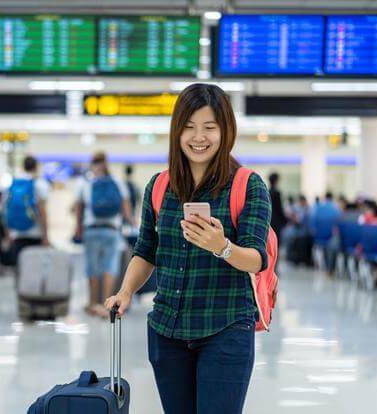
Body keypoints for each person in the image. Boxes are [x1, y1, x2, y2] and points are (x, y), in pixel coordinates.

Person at [104, 83, 271, 414]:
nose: (199, 137)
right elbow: (146, 249)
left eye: (210, 127)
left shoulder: (247, 185)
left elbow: (256, 259)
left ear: (226, 131)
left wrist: (222, 247)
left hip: (225, 329)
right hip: (168, 330)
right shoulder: (160, 186)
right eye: (189, 127)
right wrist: (125, 292)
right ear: (176, 131)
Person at [75, 152, 135, 319]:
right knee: (110, 266)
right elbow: (126, 208)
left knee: (92, 267)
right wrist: (132, 222)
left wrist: (77, 229)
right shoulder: (117, 182)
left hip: (91, 229)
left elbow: (79, 208)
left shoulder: (86, 182)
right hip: (111, 229)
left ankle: (92, 303)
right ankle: (106, 304)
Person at [5, 155, 50, 259]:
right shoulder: (39, 184)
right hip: (35, 234)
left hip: (17, 234)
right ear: (36, 167)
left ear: (23, 166)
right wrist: (46, 237)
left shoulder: (13, 184)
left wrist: (8, 234)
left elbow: (6, 210)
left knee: (20, 269)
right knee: (34, 270)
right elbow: (43, 212)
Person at [267, 172, 287, 241]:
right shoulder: (277, 193)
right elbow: (279, 209)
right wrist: (285, 220)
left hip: (269, 221)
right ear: (276, 180)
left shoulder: (267, 191)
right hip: (276, 222)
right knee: (276, 242)